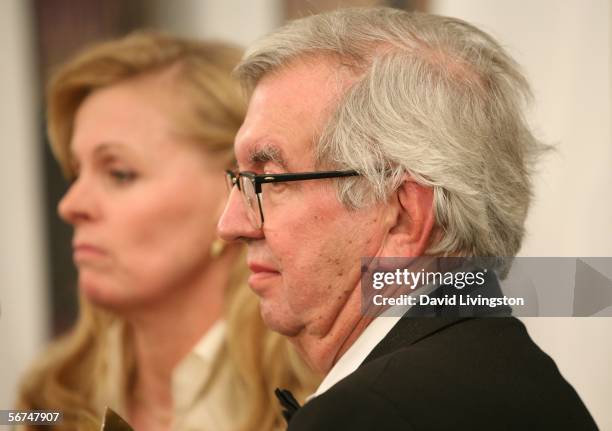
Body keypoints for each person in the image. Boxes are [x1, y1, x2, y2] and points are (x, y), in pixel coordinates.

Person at [218, 7, 598, 430]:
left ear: (402, 218)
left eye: (270, 178)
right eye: (241, 178)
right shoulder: (522, 378)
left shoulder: (367, 415)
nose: (231, 223)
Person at [17, 31, 319, 431]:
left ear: (235, 185)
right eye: (76, 172)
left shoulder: (312, 401)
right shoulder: (49, 394)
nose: (70, 205)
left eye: (119, 173)